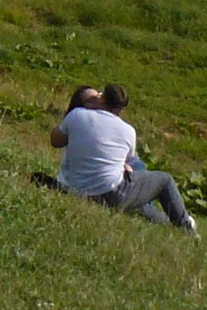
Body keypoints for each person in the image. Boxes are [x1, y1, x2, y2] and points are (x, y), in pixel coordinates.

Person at [51, 84, 198, 233]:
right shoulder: (128, 131)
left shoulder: (76, 115)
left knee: (138, 197)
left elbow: (55, 141)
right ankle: (186, 227)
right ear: (119, 109)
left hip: (73, 188)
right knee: (164, 180)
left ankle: (169, 223)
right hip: (108, 193)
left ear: (103, 99)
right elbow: (127, 160)